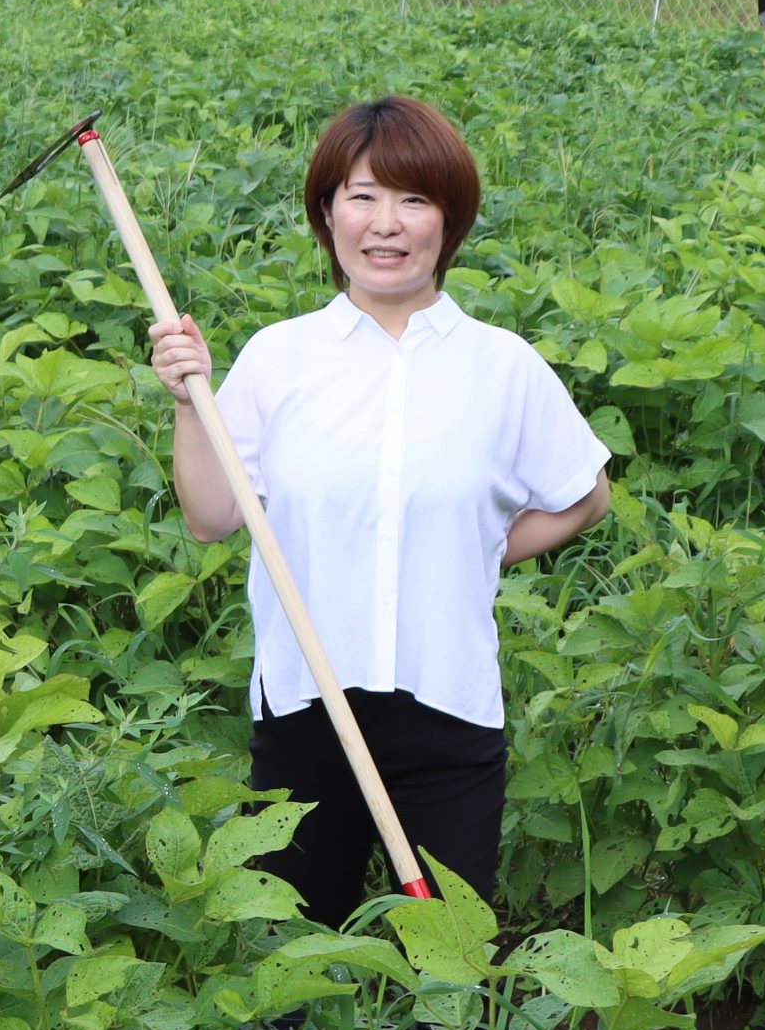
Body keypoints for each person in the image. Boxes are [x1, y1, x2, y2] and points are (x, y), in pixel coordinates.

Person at [147, 96, 611, 926]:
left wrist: (480, 551)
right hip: (302, 711)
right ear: (327, 215)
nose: (385, 224)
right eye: (362, 196)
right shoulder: (279, 359)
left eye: (414, 199)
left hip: (448, 712)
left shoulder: (501, 367)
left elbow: (586, 495)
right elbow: (213, 519)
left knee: (449, 978)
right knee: (291, 968)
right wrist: (190, 400)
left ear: (450, 219)